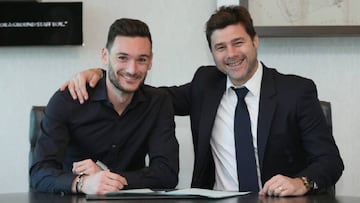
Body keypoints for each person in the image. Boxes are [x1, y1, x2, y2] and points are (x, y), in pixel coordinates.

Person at [60, 6, 343, 196]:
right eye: (220, 47)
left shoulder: (296, 91)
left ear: (255, 41)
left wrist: (300, 183)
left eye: (238, 42)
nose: (231, 53)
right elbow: (144, 92)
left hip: (276, 201)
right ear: (211, 52)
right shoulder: (205, 85)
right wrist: (101, 73)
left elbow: (330, 161)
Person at [30, 18, 179, 195]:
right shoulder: (68, 100)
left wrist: (106, 178)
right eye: (122, 58)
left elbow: (167, 174)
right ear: (105, 56)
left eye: (141, 59)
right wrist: (83, 183)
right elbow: (40, 173)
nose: (132, 69)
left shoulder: (158, 103)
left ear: (151, 61)